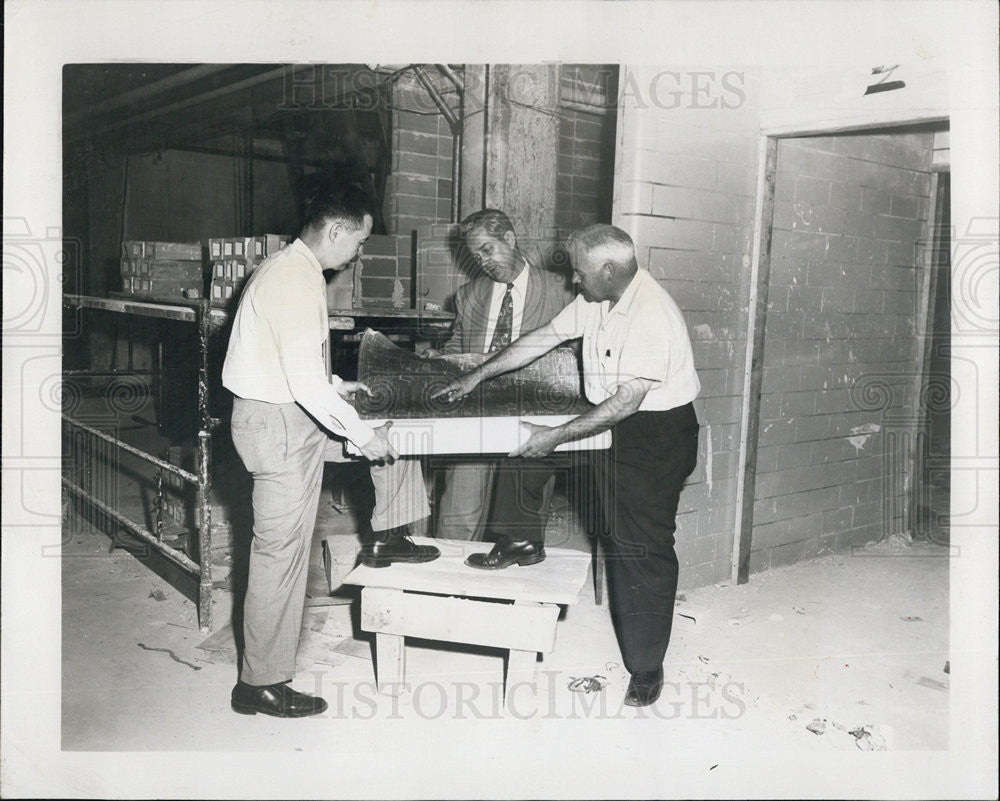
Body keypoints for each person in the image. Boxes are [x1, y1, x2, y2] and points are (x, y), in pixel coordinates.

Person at [434, 224, 700, 707]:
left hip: (652, 436)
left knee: (637, 544)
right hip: (609, 415)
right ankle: (521, 539)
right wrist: (478, 374)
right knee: (528, 445)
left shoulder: (651, 313)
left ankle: (645, 666)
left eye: (579, 272)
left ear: (609, 270)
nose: (572, 281)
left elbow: (624, 405)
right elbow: (543, 337)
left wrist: (554, 436)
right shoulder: (600, 298)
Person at [222, 178, 438, 718]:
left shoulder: (295, 271)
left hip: (293, 414)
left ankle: (389, 537)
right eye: (359, 242)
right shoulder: (292, 280)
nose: (359, 253)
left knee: (396, 433)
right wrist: (361, 436)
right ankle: (261, 683)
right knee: (281, 555)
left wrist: (339, 387)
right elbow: (299, 381)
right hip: (278, 427)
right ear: (337, 230)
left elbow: (291, 363)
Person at [423, 209, 571, 541]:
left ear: (510, 238)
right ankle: (451, 587)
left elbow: (572, 354)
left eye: (487, 250)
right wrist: (440, 358)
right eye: (476, 256)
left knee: (522, 522)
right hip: (475, 410)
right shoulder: (469, 295)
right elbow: (458, 344)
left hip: (531, 413)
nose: (483, 262)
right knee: (457, 512)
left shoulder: (559, 289)